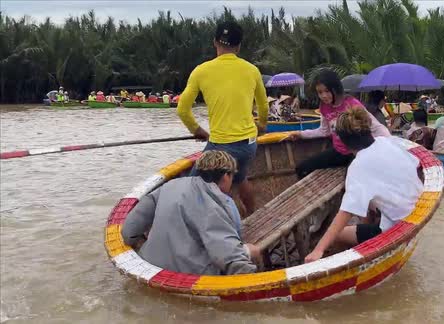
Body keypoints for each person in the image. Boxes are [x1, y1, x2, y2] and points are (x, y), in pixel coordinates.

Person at [304, 108, 423, 263]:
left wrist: (319, 249)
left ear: (343, 142)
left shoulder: (358, 166)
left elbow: (345, 212)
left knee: (338, 235)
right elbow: (416, 164)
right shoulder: (388, 141)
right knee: (367, 200)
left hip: (398, 227)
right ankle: (367, 235)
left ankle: (355, 264)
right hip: (418, 214)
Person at [177, 21, 268, 215]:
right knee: (240, 177)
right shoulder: (252, 70)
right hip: (249, 145)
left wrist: (197, 131)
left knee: (193, 187)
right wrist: (261, 125)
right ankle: (252, 213)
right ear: (239, 46)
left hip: (221, 146)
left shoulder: (201, 71)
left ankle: (224, 224)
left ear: (214, 42)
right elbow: (263, 106)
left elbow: (183, 109)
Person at [121, 151, 259, 275]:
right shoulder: (215, 204)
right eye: (232, 177)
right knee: (253, 251)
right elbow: (228, 254)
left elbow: (128, 231)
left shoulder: (169, 186)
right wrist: (248, 254)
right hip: (189, 274)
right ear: (225, 176)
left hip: (150, 265)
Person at [287, 69, 390, 179]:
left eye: (327, 91)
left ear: (336, 89)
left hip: (356, 152)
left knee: (352, 180)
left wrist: (390, 143)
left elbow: (376, 127)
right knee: (302, 168)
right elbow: (324, 131)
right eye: (320, 92)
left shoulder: (352, 104)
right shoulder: (324, 107)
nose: (323, 96)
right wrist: (301, 134)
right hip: (339, 151)